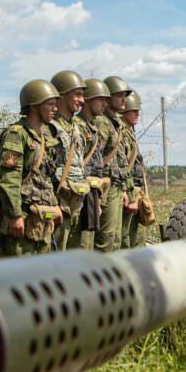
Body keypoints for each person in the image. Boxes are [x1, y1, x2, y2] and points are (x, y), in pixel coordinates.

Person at [0, 79, 62, 257]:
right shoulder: (16, 134)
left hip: (42, 217)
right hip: (22, 216)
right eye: (50, 104)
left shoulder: (46, 137)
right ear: (34, 105)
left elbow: (47, 178)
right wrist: (15, 216)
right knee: (17, 271)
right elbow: (8, 179)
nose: (55, 109)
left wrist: (53, 207)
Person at [50, 70, 90, 250]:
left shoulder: (76, 128)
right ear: (62, 95)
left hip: (77, 201)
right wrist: (52, 204)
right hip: (59, 201)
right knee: (56, 256)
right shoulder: (50, 128)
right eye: (77, 94)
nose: (82, 100)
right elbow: (44, 172)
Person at [95, 75, 132, 252]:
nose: (124, 98)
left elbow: (120, 160)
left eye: (125, 95)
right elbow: (96, 158)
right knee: (106, 239)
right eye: (119, 95)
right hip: (106, 186)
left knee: (116, 239)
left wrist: (124, 188)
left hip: (116, 185)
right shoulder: (102, 122)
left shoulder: (115, 122)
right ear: (108, 97)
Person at [78, 78, 111, 250]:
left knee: (88, 247)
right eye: (101, 99)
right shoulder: (78, 127)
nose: (105, 104)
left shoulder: (92, 128)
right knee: (81, 248)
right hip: (80, 194)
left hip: (91, 193)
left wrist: (96, 200)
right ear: (88, 99)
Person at [119, 91, 147, 249]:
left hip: (136, 190)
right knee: (126, 238)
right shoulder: (121, 133)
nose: (137, 114)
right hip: (129, 193)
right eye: (133, 111)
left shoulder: (129, 133)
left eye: (138, 111)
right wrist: (130, 196)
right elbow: (122, 167)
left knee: (137, 238)